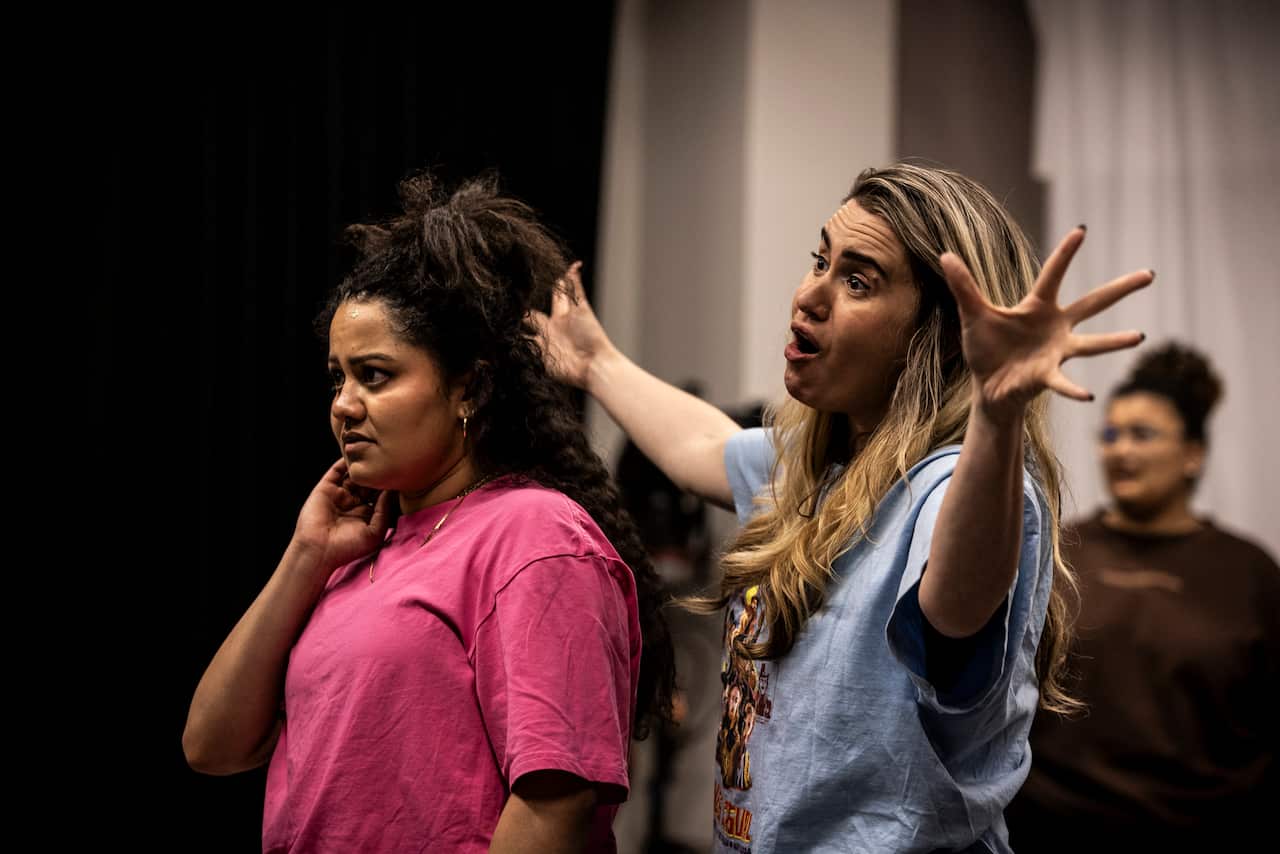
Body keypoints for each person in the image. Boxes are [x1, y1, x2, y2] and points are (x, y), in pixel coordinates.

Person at [533, 162, 1154, 853]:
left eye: (857, 280)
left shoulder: (957, 486)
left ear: (938, 336)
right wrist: (594, 361)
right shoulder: (816, 470)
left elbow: (955, 618)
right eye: (820, 260)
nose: (808, 296)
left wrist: (995, 413)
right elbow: (702, 444)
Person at [182, 173, 675, 853]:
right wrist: (306, 556)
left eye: (375, 375)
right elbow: (212, 744)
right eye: (337, 377)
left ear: (467, 386)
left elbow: (555, 806)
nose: (343, 405)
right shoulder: (359, 550)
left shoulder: (535, 536)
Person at [1007, 342, 1280, 851]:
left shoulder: (1249, 573)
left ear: (1193, 455)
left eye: (1143, 435)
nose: (1121, 450)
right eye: (1110, 434)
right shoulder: (1058, 552)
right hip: (1049, 828)